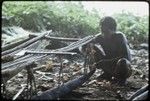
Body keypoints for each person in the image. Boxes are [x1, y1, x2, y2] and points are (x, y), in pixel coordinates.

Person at [82, 16, 132, 85]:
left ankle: (122, 79)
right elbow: (84, 45)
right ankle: (107, 74)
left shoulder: (120, 37)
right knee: (93, 47)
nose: (104, 34)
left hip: (122, 66)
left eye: (106, 31)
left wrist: (104, 62)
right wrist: (88, 49)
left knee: (122, 61)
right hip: (108, 64)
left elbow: (126, 57)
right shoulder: (100, 37)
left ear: (113, 30)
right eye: (102, 31)